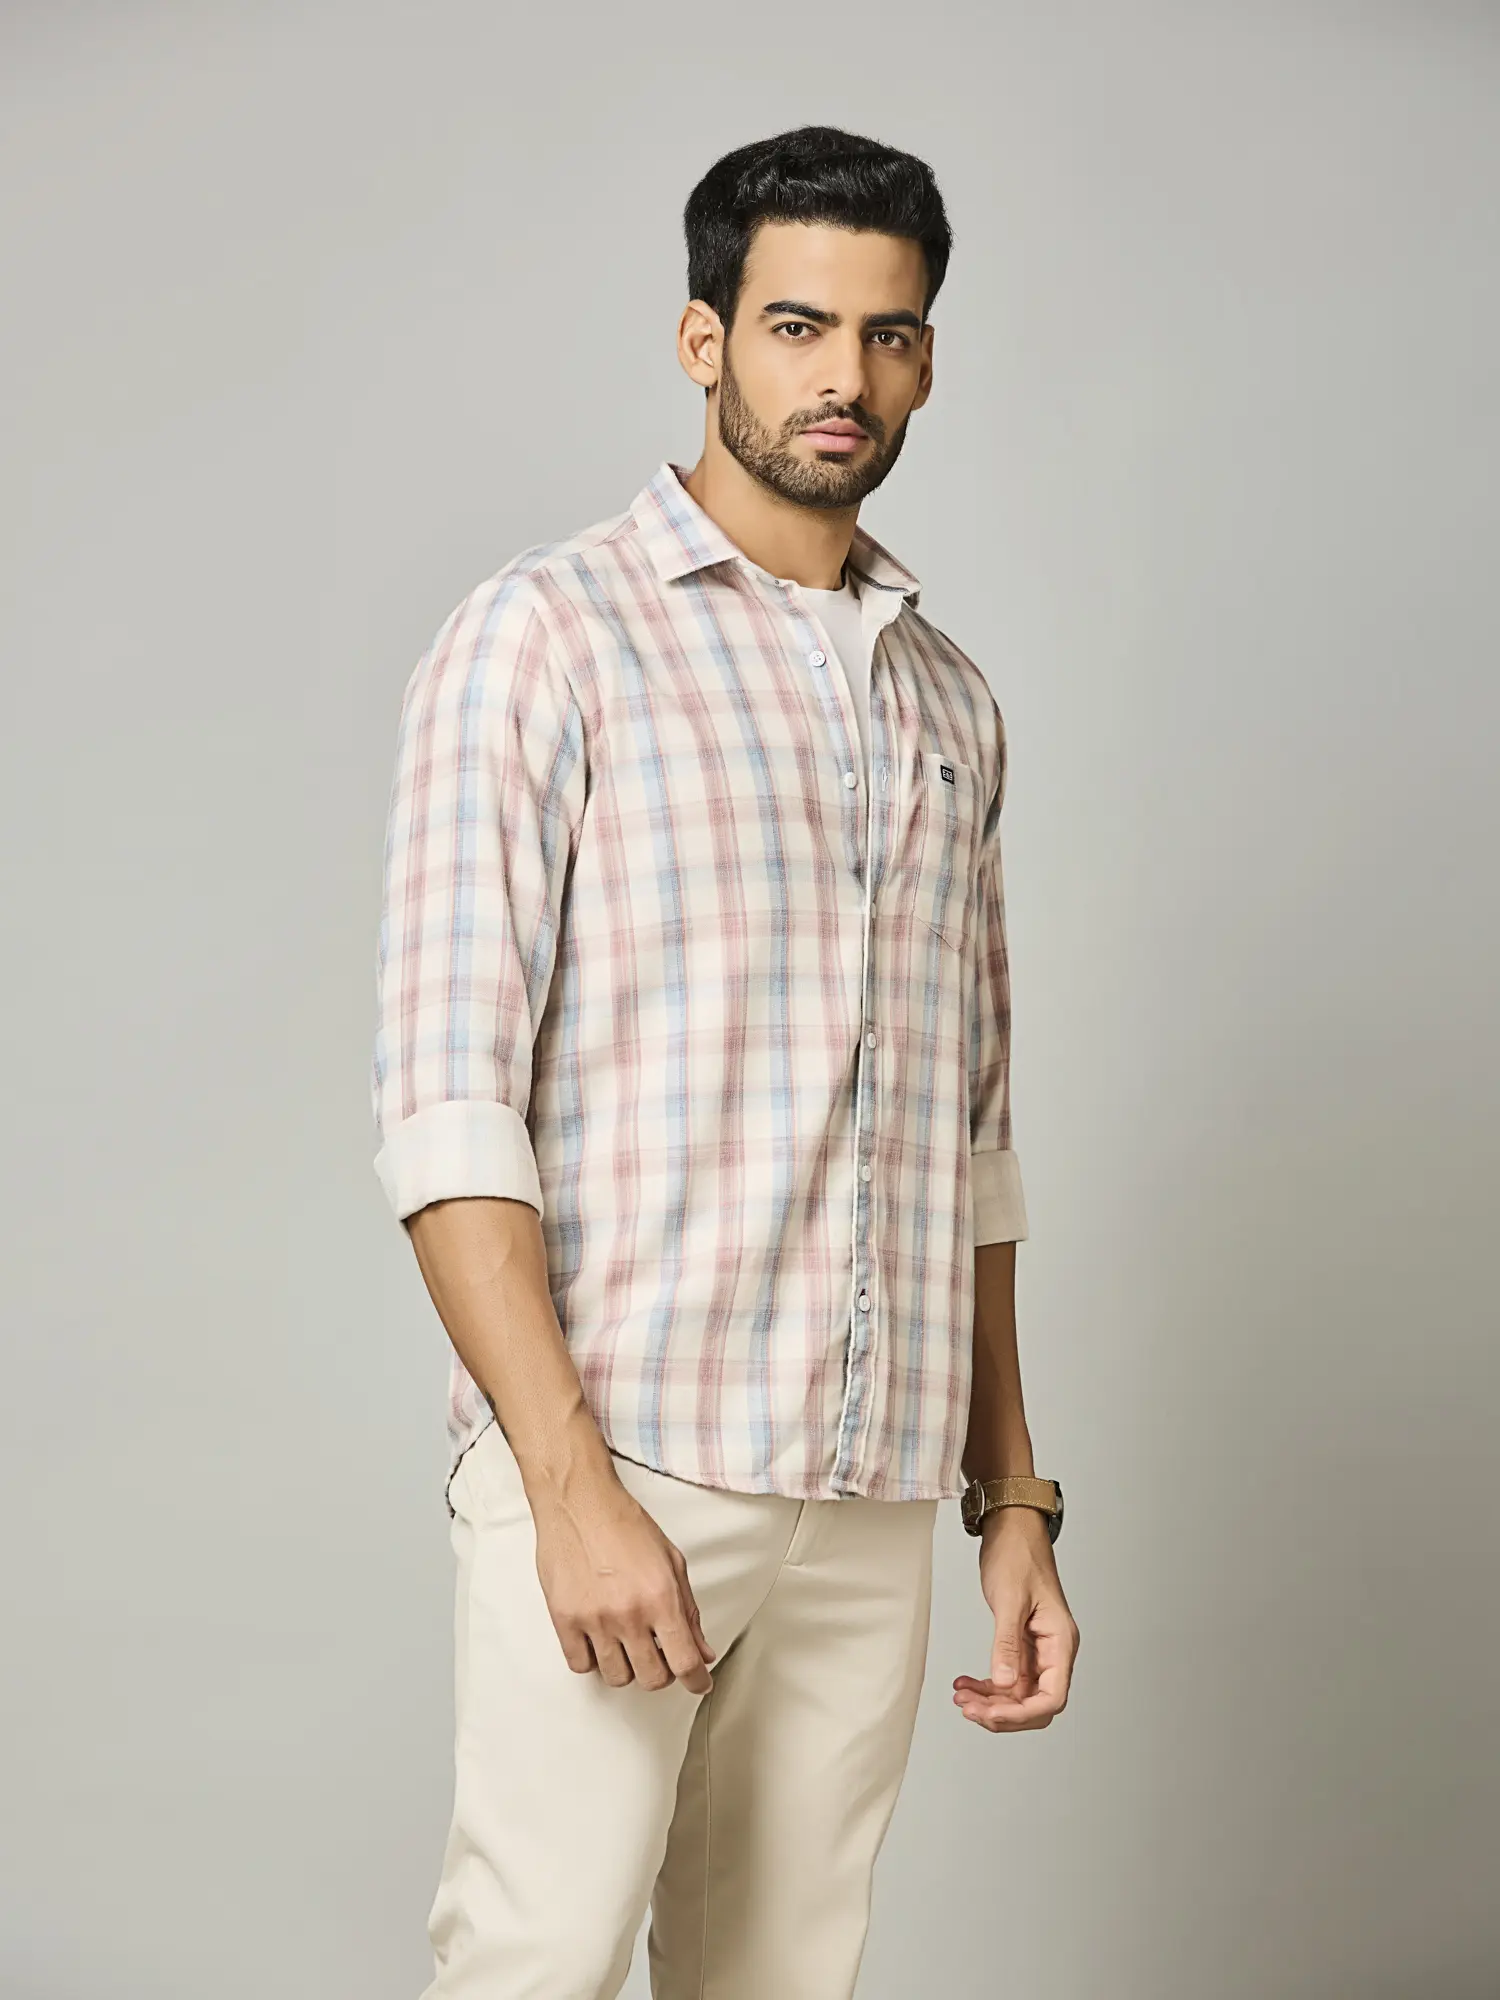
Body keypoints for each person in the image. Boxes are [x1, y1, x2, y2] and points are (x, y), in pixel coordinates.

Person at [370, 121, 1080, 2000]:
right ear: (704, 341)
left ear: (927, 359)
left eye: (888, 335)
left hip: (874, 1481)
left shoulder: (949, 704)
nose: (845, 377)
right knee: (536, 1961)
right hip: (632, 1453)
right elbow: (449, 1117)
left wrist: (1013, 1499)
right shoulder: (545, 642)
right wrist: (567, 1486)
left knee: (782, 1976)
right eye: (795, 325)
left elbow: (969, 1147)